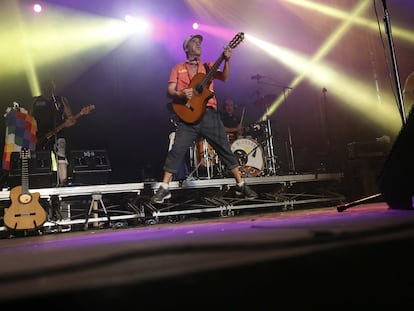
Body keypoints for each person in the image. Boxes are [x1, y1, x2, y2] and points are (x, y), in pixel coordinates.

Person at [150, 34, 258, 204]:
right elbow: (170, 90)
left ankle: (241, 184)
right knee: (176, 150)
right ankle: (164, 188)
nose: (199, 44)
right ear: (186, 48)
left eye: (200, 42)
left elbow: (224, 78)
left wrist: (227, 60)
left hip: (209, 115)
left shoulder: (208, 67)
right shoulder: (178, 68)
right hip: (188, 116)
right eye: (194, 42)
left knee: (224, 148)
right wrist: (180, 93)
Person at [30, 79, 76, 186]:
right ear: (42, 88)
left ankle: (63, 183)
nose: (48, 88)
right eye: (46, 86)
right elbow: (28, 119)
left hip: (59, 133)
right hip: (41, 135)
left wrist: (70, 122)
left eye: (50, 86)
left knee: (61, 156)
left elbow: (71, 118)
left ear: (53, 88)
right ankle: (42, 183)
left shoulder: (60, 100)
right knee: (41, 159)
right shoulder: (35, 101)